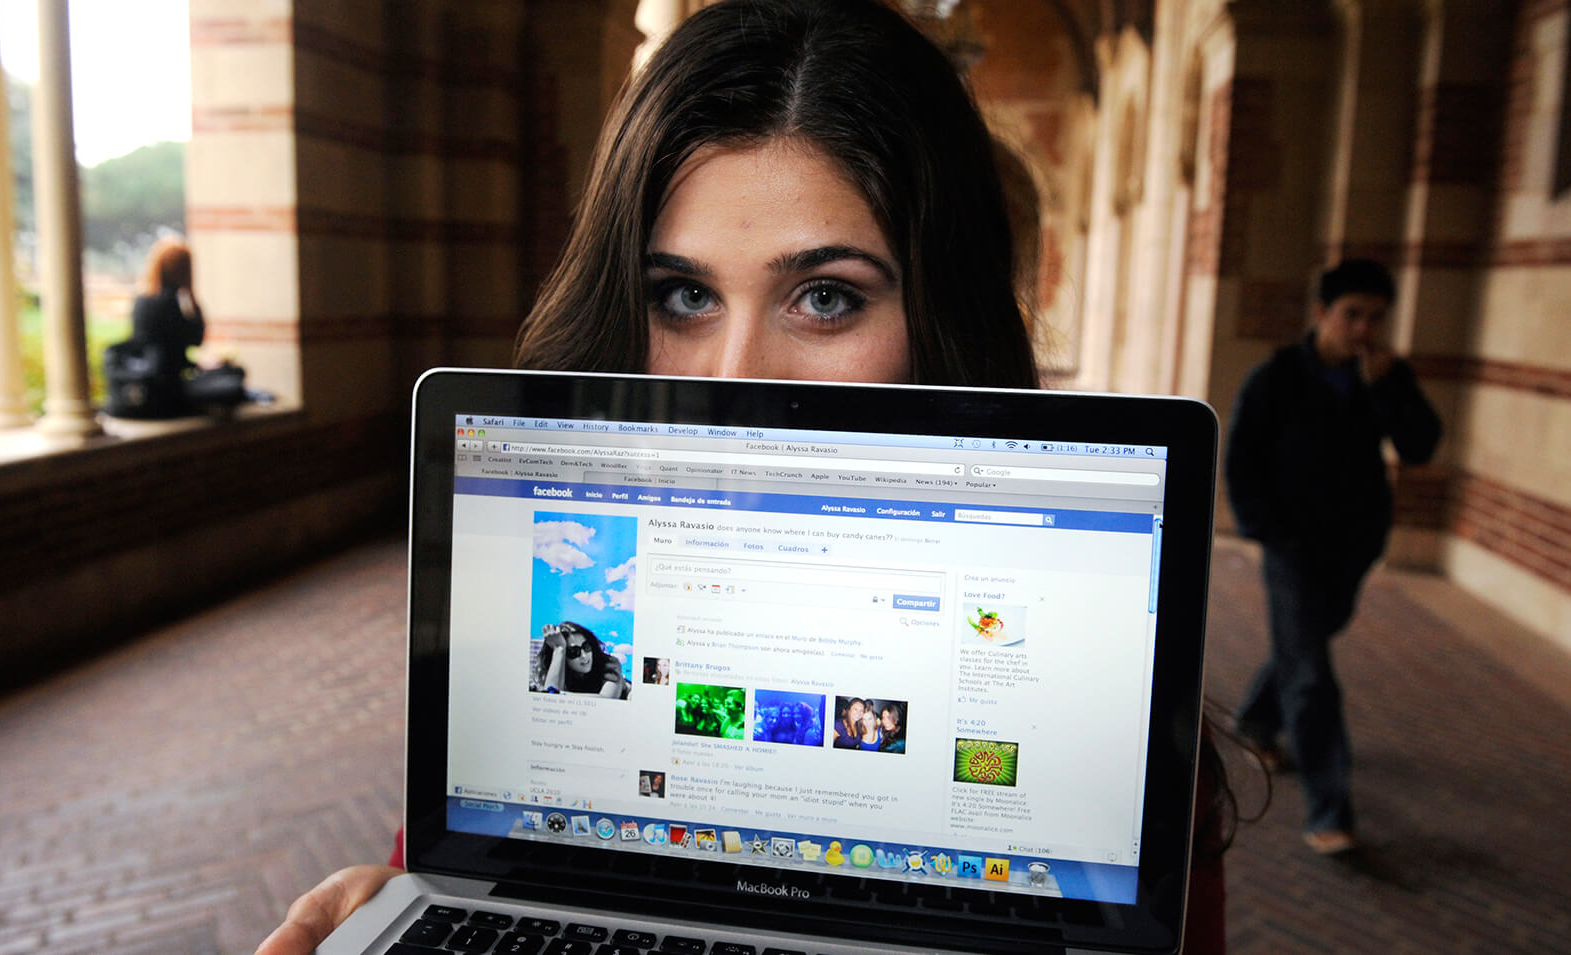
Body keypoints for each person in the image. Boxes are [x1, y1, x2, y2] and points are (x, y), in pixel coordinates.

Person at [255, 3, 1229, 953]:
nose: (734, 379)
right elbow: (481, 865)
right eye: (683, 295)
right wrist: (398, 898)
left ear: (945, 310)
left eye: (824, 297)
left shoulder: (1123, 726)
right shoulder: (551, 578)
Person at [1226, 258, 1441, 856]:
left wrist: (1390, 388)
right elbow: (1241, 455)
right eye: (1353, 314)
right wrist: (1262, 527)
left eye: (1375, 317)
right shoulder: (1277, 376)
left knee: (1306, 647)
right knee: (1312, 675)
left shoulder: (1384, 376)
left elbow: (1420, 447)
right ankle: (1330, 809)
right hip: (1291, 544)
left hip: (1354, 545)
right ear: (1322, 313)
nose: (1364, 328)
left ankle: (1253, 722)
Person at [105, 238, 269, 418]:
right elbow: (194, 341)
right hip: (168, 391)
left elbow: (155, 347)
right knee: (234, 375)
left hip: (153, 383)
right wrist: (192, 296)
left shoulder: (142, 300)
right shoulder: (169, 302)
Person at [531, 622, 630, 698]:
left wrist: (558, 694)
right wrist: (559, 649)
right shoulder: (556, 671)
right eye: (574, 652)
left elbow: (606, 700)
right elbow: (550, 701)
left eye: (586, 646)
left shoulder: (609, 664)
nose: (584, 655)